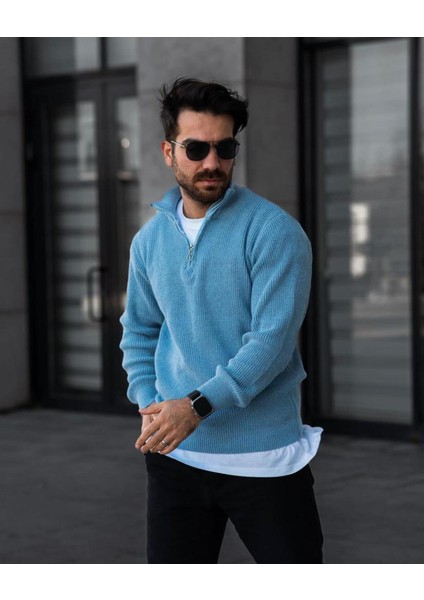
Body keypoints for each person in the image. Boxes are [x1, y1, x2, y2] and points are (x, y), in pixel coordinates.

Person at [119, 77, 324, 564]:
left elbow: (271, 343)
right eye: (196, 148)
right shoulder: (149, 241)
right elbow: (140, 330)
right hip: (176, 456)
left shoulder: (273, 231)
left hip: (264, 460)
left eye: (225, 148)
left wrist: (196, 406)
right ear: (168, 152)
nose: (212, 162)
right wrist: (151, 404)